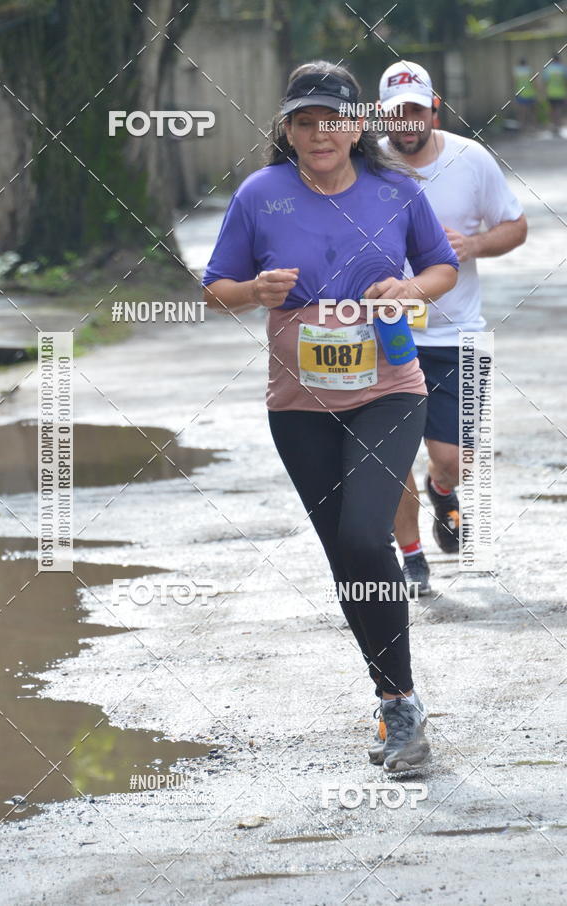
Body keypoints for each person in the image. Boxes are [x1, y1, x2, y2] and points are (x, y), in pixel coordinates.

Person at [202, 60, 458, 772]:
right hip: (299, 407)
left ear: (357, 126)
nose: (321, 133)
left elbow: (442, 269)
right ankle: (391, 699)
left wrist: (408, 288)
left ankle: (404, 709)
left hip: (391, 389)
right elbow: (213, 291)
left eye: (334, 120)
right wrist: (254, 289)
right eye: (306, 121)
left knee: (364, 533)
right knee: (346, 557)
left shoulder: (395, 192)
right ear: (286, 128)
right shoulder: (261, 195)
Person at [378, 61, 527, 594]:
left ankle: (443, 492)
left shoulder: (471, 159)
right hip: (388, 336)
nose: (408, 120)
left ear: (434, 107)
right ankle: (412, 557)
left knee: (453, 460)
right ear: (381, 114)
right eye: (397, 112)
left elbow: (516, 226)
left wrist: (473, 245)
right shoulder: (366, 166)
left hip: (459, 332)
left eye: (417, 109)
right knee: (389, 455)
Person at [543, 54, 567, 135]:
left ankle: (554, 126)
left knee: (552, 110)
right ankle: (558, 125)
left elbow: (545, 82)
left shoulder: (548, 69)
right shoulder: (563, 68)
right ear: (559, 59)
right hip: (560, 93)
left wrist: (545, 92)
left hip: (551, 93)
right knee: (559, 110)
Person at [512, 58, 538, 131]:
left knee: (522, 112)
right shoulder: (530, 70)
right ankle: (534, 126)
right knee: (533, 111)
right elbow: (534, 83)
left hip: (521, 94)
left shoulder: (516, 71)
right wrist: (537, 91)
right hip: (531, 93)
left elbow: (515, 82)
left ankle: (522, 127)